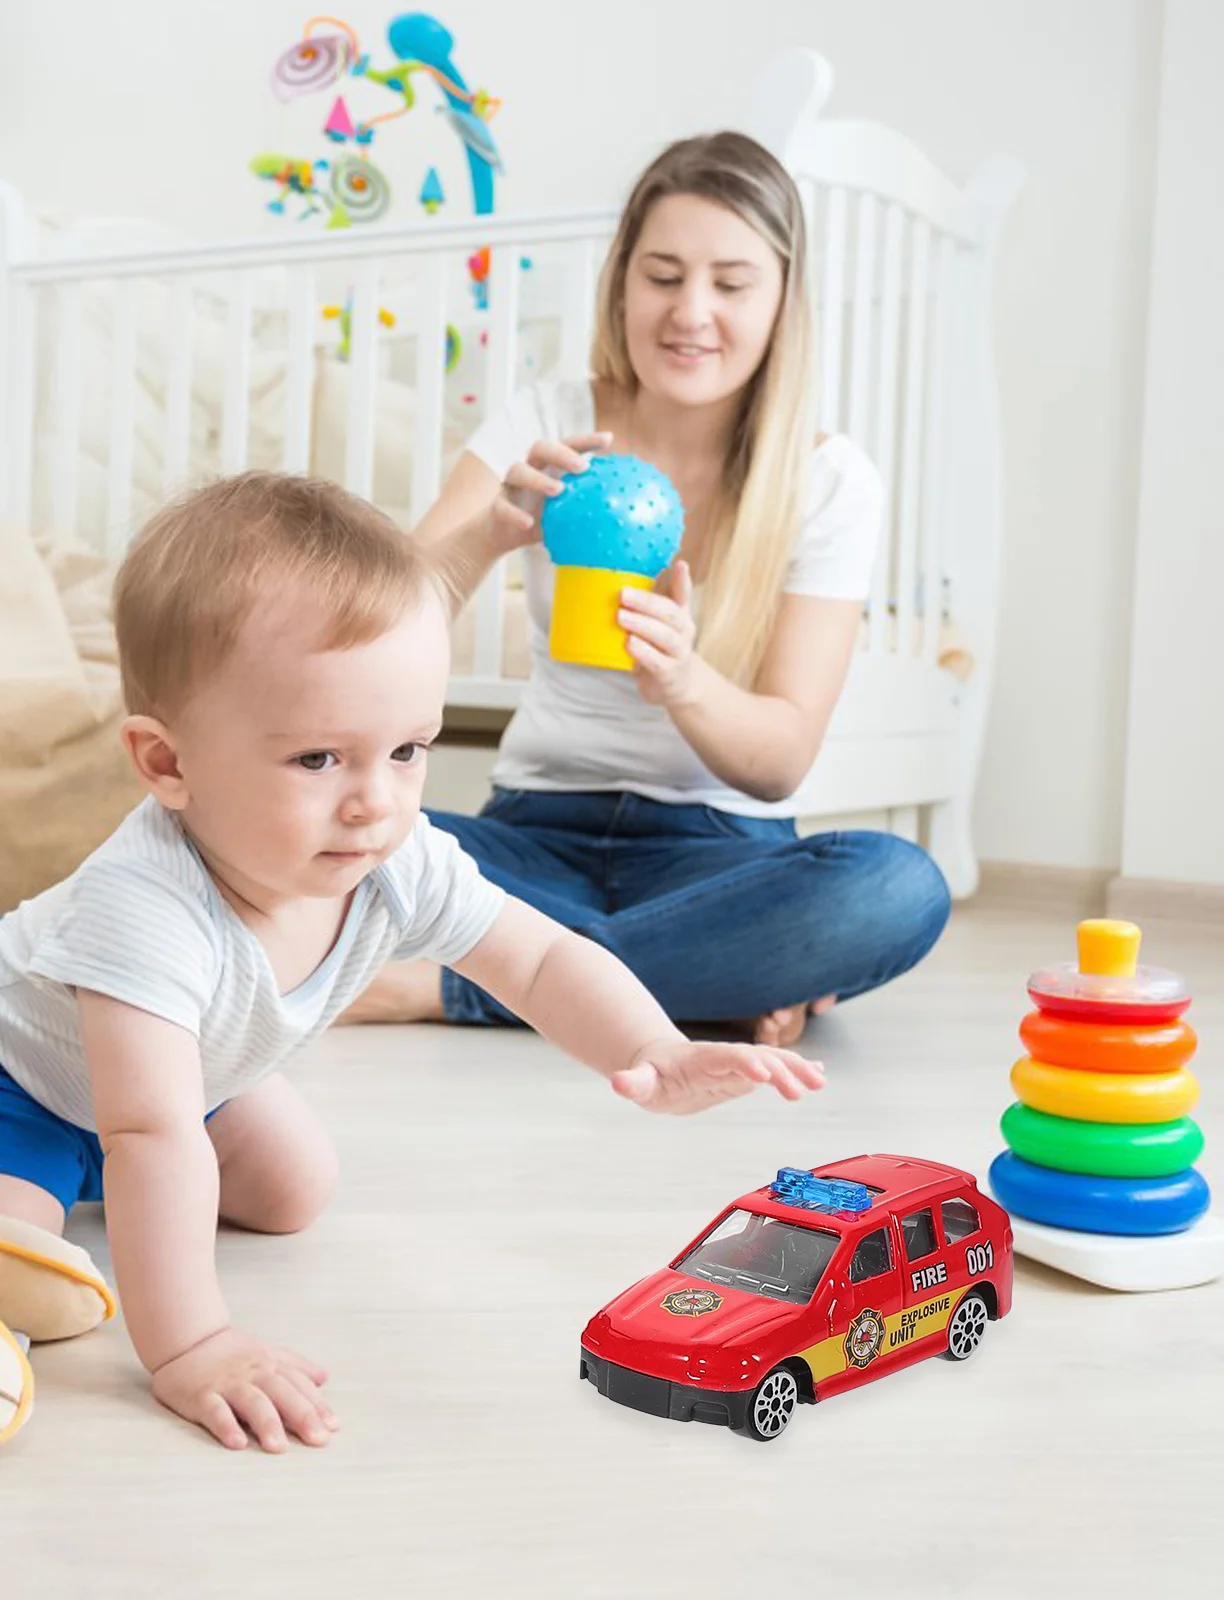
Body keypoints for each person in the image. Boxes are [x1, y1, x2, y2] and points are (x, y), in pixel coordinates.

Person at [0, 474, 823, 1452]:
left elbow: (538, 957)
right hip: (27, 1084)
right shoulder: (143, 908)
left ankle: (91, 1198)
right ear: (167, 764)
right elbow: (148, 1133)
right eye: (318, 759)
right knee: (30, 1231)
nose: (375, 802)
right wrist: (193, 1345)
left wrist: (653, 1046)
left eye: (407, 751)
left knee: (294, 1189)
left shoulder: (392, 856)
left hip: (186, 1082)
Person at [343, 131, 951, 1045]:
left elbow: (780, 761)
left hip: (717, 854)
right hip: (532, 837)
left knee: (896, 887)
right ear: (622, 282)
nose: (690, 312)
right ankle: (701, 975)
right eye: (663, 276)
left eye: (731, 284)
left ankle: (452, 985)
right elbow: (378, 636)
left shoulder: (829, 481)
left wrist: (686, 682)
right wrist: (489, 531)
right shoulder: (546, 419)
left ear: (782, 301)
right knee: (297, 829)